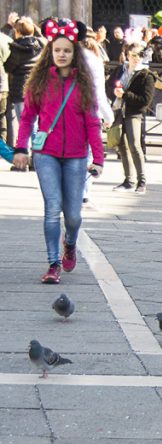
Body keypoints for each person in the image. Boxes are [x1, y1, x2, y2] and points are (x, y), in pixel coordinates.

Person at [13, 18, 104, 285]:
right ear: (50, 53)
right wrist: (21, 147)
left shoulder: (84, 85)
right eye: (57, 50)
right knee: (52, 208)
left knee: (73, 215)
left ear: (74, 53)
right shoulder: (40, 83)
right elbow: (28, 117)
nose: (62, 54)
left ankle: (70, 243)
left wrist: (98, 159)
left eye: (67, 50)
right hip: (46, 154)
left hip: (76, 156)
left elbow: (92, 123)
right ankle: (53, 263)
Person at [109, 41, 154, 193]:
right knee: (121, 146)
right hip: (118, 111)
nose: (136, 58)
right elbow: (108, 87)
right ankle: (129, 180)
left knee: (135, 144)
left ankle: (141, 181)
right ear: (128, 55)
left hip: (134, 113)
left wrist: (125, 95)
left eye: (140, 55)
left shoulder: (146, 75)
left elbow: (145, 100)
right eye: (133, 55)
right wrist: (114, 93)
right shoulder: (120, 70)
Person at [5, 17, 44, 154]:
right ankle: (37, 155)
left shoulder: (17, 48)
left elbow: (9, 66)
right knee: (36, 122)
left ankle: (23, 156)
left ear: (18, 32)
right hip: (38, 87)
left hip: (21, 88)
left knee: (25, 123)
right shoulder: (41, 45)